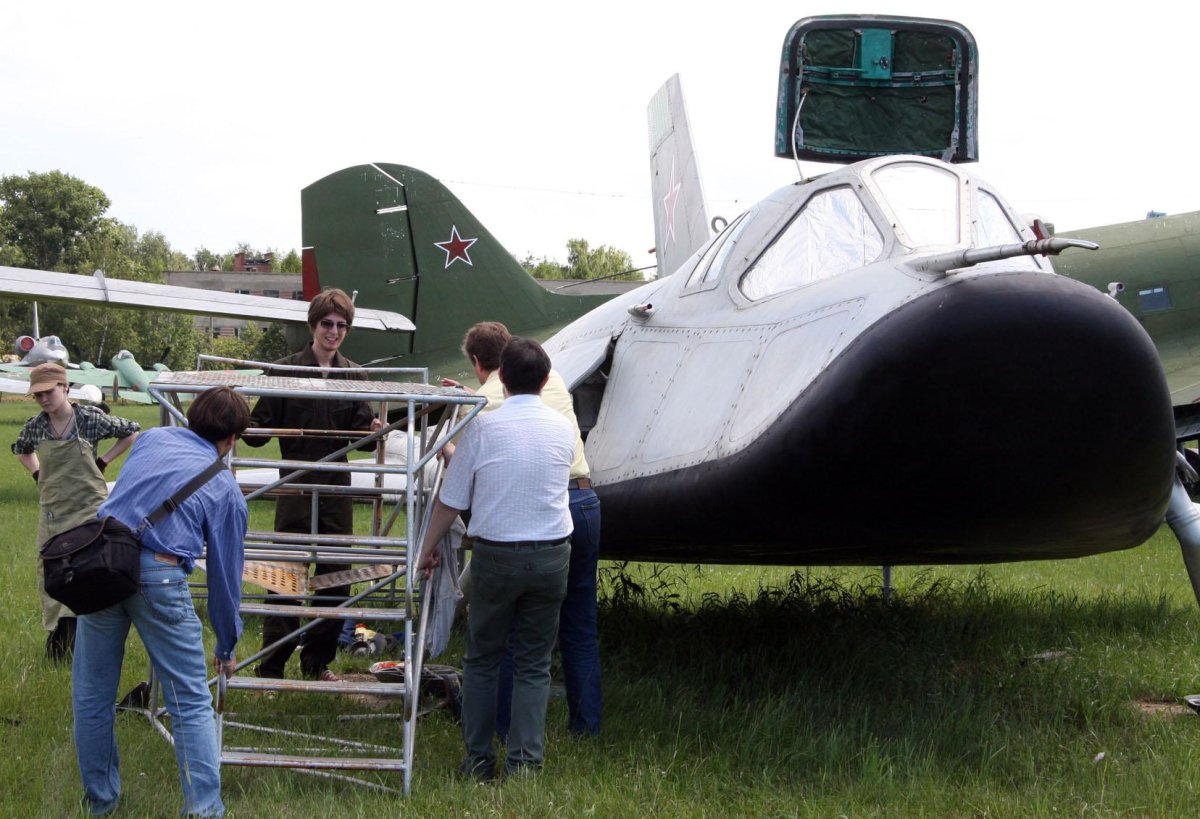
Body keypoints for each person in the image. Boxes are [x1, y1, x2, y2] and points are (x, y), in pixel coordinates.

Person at [72, 385, 251, 818]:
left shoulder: (152, 439)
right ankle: (204, 810)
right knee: (190, 702)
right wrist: (226, 646)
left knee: (92, 696)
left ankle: (100, 804)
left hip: (102, 563)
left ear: (191, 417)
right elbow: (227, 580)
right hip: (160, 574)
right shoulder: (226, 490)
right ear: (232, 439)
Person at [419, 337, 575, 779]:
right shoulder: (563, 429)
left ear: (500, 376)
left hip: (496, 555)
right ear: (545, 381)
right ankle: (525, 764)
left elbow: (450, 500)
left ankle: (479, 760)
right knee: (533, 663)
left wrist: (425, 549)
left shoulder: (483, 429)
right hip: (551, 555)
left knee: (483, 659)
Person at [444, 321, 603, 737]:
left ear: (480, 364)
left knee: (517, 630)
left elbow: (467, 469)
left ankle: (502, 728)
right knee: (581, 623)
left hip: (536, 510)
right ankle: (586, 726)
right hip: (583, 500)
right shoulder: (556, 380)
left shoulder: (480, 404)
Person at [242, 288, 381, 682]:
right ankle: (270, 668)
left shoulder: (355, 374)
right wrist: (241, 421)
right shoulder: (283, 370)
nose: (333, 331)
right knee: (285, 577)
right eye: (327, 323)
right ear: (313, 325)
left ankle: (317, 663)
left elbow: (363, 431)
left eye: (341, 325)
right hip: (296, 488)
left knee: (337, 576)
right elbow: (257, 431)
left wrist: (373, 430)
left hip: (338, 489)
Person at [11, 362, 139, 662]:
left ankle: (94, 643)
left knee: (90, 573)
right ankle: (60, 646)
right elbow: (21, 449)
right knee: (53, 575)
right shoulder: (36, 426)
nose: (43, 399)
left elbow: (131, 431)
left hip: (87, 513)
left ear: (65, 388)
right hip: (53, 514)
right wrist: (36, 473)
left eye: (48, 392)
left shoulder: (89, 419)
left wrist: (104, 462)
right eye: (37, 395)